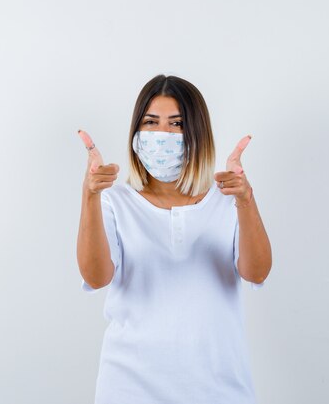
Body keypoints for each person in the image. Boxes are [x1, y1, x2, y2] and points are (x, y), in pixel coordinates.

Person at [76, 74, 272, 404]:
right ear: (136, 133)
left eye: (177, 124)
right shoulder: (116, 202)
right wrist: (90, 195)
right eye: (150, 122)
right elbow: (95, 277)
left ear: (197, 133)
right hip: (129, 387)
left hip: (220, 387)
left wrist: (245, 200)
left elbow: (257, 272)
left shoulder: (228, 199)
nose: (162, 134)